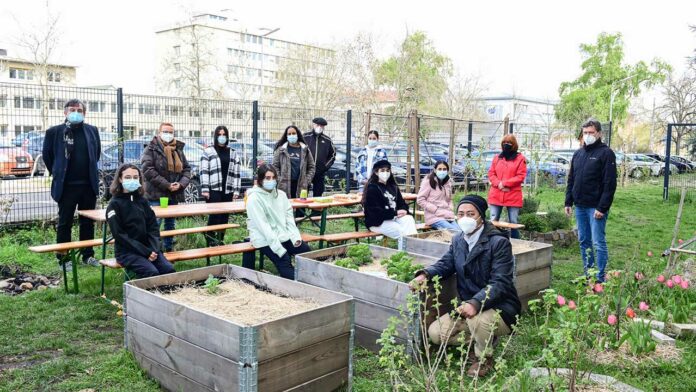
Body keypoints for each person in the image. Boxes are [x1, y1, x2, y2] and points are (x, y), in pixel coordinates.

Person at [410, 195, 520, 378]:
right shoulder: (458, 240)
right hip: (467, 305)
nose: (465, 218)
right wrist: (425, 275)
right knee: (436, 334)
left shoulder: (498, 242)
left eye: (470, 213)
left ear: (481, 217)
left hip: (500, 306)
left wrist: (476, 303)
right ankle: (482, 339)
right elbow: (446, 264)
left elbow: (501, 282)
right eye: (460, 214)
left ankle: (483, 358)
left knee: (479, 320)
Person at [42, 99, 101, 270]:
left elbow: (95, 155)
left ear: (85, 113)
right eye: (72, 109)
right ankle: (64, 258)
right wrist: (58, 171)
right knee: (65, 222)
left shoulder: (92, 130)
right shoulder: (54, 132)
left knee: (87, 222)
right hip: (66, 186)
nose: (76, 112)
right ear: (65, 112)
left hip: (88, 185)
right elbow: (48, 156)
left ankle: (87, 255)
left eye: (79, 110)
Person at [565, 119, 617, 283]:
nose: (587, 135)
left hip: (596, 207)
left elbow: (610, 183)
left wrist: (602, 207)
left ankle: (600, 278)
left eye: (591, 132)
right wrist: (568, 201)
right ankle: (589, 274)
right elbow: (571, 179)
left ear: (599, 133)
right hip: (580, 206)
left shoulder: (606, 153)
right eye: (585, 132)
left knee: (598, 243)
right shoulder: (578, 154)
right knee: (584, 241)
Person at [106, 164, 176, 278]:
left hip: (150, 249)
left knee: (169, 270)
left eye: (135, 177)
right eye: (128, 177)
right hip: (127, 252)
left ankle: (165, 294)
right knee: (151, 272)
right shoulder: (114, 205)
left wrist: (154, 249)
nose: (132, 180)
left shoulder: (143, 201)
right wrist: (145, 252)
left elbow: (153, 227)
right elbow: (119, 235)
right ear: (120, 179)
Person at [246, 164, 312, 279]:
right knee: (284, 259)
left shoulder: (281, 195)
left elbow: (289, 219)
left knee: (306, 251)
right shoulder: (254, 199)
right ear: (260, 180)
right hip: (265, 239)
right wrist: (279, 248)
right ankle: (299, 286)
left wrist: (296, 238)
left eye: (273, 177)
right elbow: (264, 227)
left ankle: (311, 278)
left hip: (282, 234)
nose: (271, 181)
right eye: (267, 178)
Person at [141, 122, 192, 252]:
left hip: (174, 194)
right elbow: (148, 170)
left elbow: (187, 169)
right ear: (159, 133)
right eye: (165, 131)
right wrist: (167, 185)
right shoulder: (151, 148)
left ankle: (168, 249)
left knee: (170, 224)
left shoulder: (178, 149)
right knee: (155, 223)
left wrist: (180, 185)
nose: (168, 134)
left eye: (171, 132)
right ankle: (154, 251)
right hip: (156, 195)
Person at [200, 125, 242, 245]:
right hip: (213, 189)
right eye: (219, 135)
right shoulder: (208, 152)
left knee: (224, 216)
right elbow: (203, 171)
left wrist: (236, 191)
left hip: (227, 189)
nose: (222, 137)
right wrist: (205, 189)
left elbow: (237, 173)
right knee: (215, 216)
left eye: (224, 135)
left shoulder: (233, 153)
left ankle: (220, 239)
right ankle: (210, 239)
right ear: (215, 136)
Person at [363, 160, 417, 247]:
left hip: (393, 217)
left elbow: (401, 203)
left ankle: (413, 248)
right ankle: (405, 255)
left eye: (388, 170)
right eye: (382, 170)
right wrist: (395, 213)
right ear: (376, 172)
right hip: (377, 222)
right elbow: (375, 212)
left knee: (409, 219)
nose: (385, 173)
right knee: (401, 232)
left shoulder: (393, 187)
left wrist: (404, 210)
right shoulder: (372, 188)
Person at [487, 134, 527, 239]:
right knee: (493, 220)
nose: (506, 145)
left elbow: (520, 176)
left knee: (513, 222)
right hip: (496, 194)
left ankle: (517, 243)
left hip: (512, 195)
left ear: (514, 145)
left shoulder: (520, 159)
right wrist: (499, 184)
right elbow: (491, 173)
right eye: (504, 143)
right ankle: (492, 242)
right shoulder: (497, 158)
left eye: (509, 143)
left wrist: (504, 183)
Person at [273, 125, 316, 199]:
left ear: (297, 134)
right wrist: (280, 179)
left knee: (300, 208)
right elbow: (275, 166)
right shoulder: (281, 150)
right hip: (284, 185)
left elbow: (311, 166)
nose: (291, 135)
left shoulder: (305, 149)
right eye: (289, 134)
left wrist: (307, 180)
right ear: (286, 136)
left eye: (293, 133)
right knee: (286, 208)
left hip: (301, 185)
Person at [417, 160, 460, 231]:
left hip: (448, 215)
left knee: (462, 232)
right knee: (455, 232)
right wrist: (435, 210)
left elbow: (449, 199)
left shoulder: (447, 183)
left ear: (447, 171)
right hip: (434, 217)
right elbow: (420, 200)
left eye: (444, 169)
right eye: (439, 169)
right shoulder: (428, 181)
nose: (442, 171)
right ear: (435, 170)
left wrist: (450, 207)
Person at [304, 117, 336, 198]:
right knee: (302, 195)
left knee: (318, 195)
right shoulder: (305, 137)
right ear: (313, 125)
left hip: (319, 173)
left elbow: (332, 155)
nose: (319, 127)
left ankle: (316, 210)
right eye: (318, 125)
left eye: (322, 126)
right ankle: (301, 210)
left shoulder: (327, 140)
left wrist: (325, 167)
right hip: (306, 172)